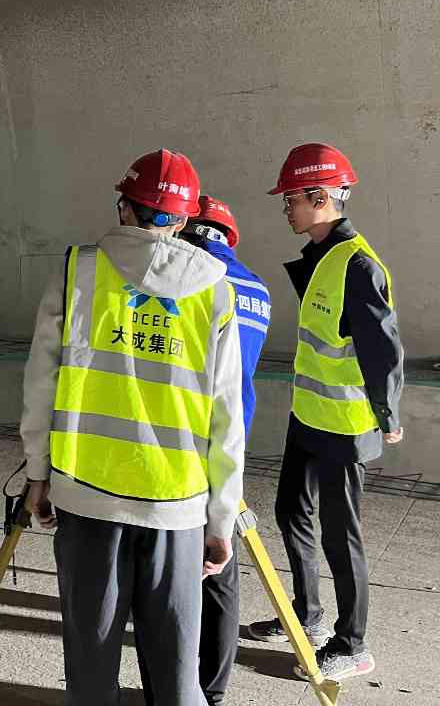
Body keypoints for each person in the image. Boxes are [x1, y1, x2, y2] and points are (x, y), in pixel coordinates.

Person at [19, 149, 245, 706]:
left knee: (92, 662)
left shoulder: (77, 271)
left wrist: (37, 475)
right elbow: (226, 417)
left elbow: (40, 386)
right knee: (175, 667)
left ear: (126, 207)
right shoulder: (215, 289)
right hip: (178, 505)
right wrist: (221, 518)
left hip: (88, 495)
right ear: (185, 219)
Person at [247, 143, 404, 683]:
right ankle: (308, 616)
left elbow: (384, 348)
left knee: (342, 535)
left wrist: (388, 412)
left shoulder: (358, 264)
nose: (286, 208)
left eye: (292, 198)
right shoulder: (322, 256)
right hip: (309, 416)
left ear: (321, 196)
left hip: (345, 424)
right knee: (292, 510)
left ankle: (352, 643)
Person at [181, 196, 270, 706]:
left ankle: (174, 690)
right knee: (220, 567)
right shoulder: (257, 289)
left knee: (169, 576)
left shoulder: (187, 280)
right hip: (230, 446)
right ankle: (212, 692)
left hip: (179, 446)